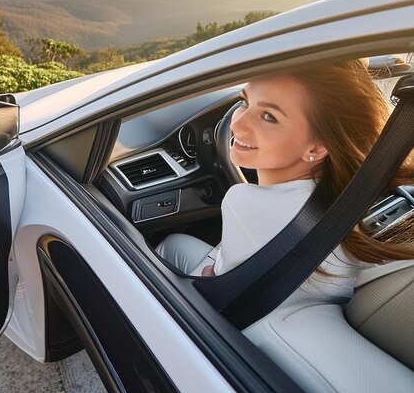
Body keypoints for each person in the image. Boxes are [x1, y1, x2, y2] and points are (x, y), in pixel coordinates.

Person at [157, 60, 414, 305]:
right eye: (245, 102)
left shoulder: (242, 201)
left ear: (316, 147)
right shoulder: (352, 193)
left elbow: (214, 281)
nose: (238, 123)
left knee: (169, 245)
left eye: (269, 116)